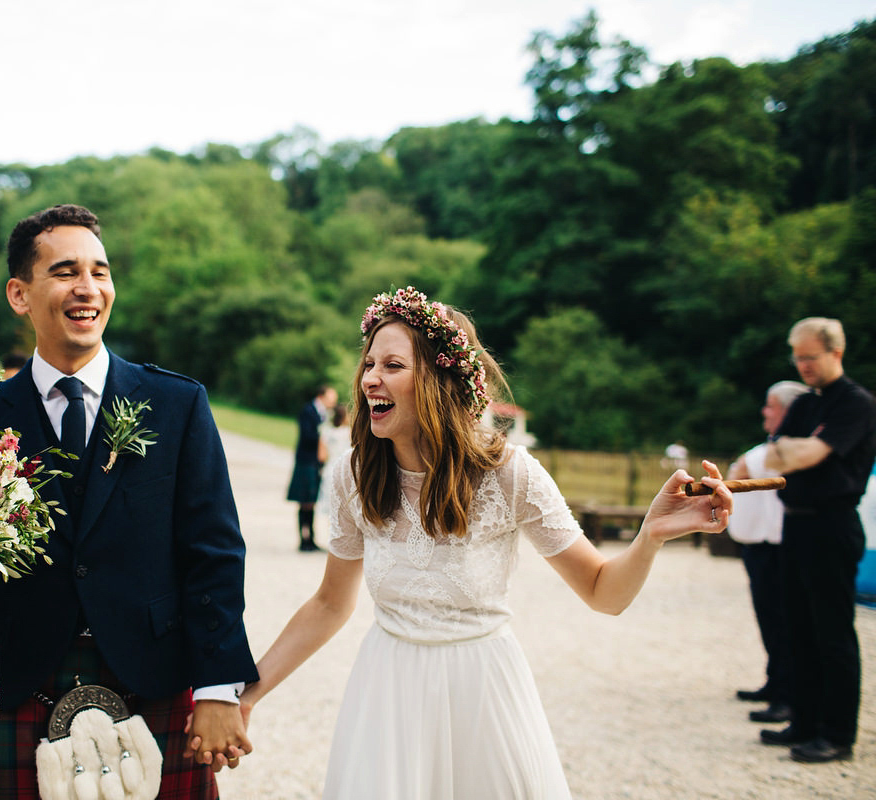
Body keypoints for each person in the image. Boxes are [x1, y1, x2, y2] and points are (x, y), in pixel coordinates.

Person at [230, 286, 733, 798]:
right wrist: (248, 694)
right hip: (387, 690)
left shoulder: (511, 475)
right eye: (369, 363)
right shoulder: (353, 475)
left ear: (439, 381)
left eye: (393, 365)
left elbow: (605, 593)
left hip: (484, 690)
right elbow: (329, 603)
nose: (369, 379)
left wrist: (651, 533)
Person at [0, 204, 257, 798]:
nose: (89, 288)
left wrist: (216, 688)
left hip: (154, 679)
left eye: (100, 272)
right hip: (26, 678)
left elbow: (215, 554)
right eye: (66, 271)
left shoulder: (176, 405)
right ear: (19, 294)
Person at [760, 317, 876, 764]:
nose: (803, 365)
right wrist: (796, 450)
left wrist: (797, 450)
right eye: (799, 358)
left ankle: (837, 731)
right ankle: (804, 721)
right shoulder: (806, 404)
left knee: (832, 631)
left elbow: (807, 453)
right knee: (798, 626)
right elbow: (775, 455)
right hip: (797, 523)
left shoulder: (856, 403)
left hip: (833, 522)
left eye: (810, 357)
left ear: (836, 353)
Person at [726, 380, 809, 724]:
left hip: (778, 545)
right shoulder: (772, 447)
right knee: (768, 617)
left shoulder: (791, 448)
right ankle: (776, 681)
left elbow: (745, 468)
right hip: (760, 543)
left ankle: (788, 693)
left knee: (782, 619)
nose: (765, 411)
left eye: (771, 406)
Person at [287, 385, 338, 551]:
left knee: (312, 500)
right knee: (305, 500)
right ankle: (304, 538)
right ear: (322, 396)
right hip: (306, 460)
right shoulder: (308, 411)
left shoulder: (325, 413)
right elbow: (307, 435)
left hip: (316, 462)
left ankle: (311, 538)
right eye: (332, 398)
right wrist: (324, 435)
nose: (334, 402)